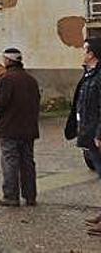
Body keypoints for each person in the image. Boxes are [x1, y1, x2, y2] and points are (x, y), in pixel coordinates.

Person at [0, 47, 40, 207]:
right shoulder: (31, 80)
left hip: (10, 128)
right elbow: (37, 102)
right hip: (28, 128)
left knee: (10, 161)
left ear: (8, 61)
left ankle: (11, 196)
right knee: (28, 162)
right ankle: (30, 196)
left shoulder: (7, 79)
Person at [66, 38, 101, 234]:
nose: (83, 52)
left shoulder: (99, 76)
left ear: (93, 53)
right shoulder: (90, 75)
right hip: (89, 133)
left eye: (86, 49)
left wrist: (99, 134)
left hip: (97, 135)